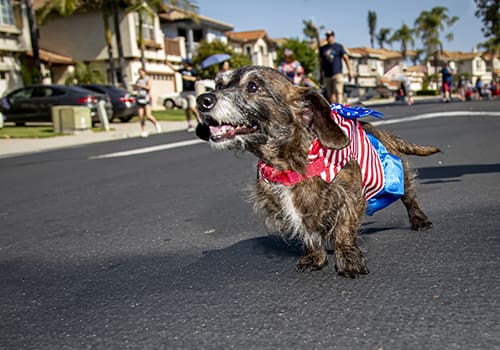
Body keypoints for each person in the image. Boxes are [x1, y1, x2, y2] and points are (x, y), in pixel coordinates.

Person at [320, 30, 353, 104]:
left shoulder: (338, 47)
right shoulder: (323, 49)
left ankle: (340, 106)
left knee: (338, 91)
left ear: (333, 37)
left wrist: (350, 70)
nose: (328, 38)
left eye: (330, 36)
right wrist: (321, 74)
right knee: (330, 94)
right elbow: (321, 62)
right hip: (327, 75)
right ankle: (334, 110)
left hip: (337, 73)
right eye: (327, 36)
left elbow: (346, 58)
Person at [133, 67, 161, 138]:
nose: (140, 73)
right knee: (141, 116)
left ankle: (156, 124)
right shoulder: (138, 80)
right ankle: (143, 131)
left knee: (148, 115)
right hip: (139, 99)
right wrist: (135, 86)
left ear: (144, 72)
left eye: (141, 72)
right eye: (139, 72)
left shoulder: (148, 78)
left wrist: (141, 86)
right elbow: (135, 88)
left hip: (146, 99)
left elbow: (149, 87)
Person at [178, 58, 199, 132]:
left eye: (184, 63)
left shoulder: (193, 71)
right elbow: (174, 70)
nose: (183, 64)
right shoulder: (182, 70)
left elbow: (197, 78)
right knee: (186, 109)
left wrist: (188, 78)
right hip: (184, 92)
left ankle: (199, 120)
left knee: (192, 108)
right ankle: (189, 124)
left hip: (191, 92)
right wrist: (167, 63)